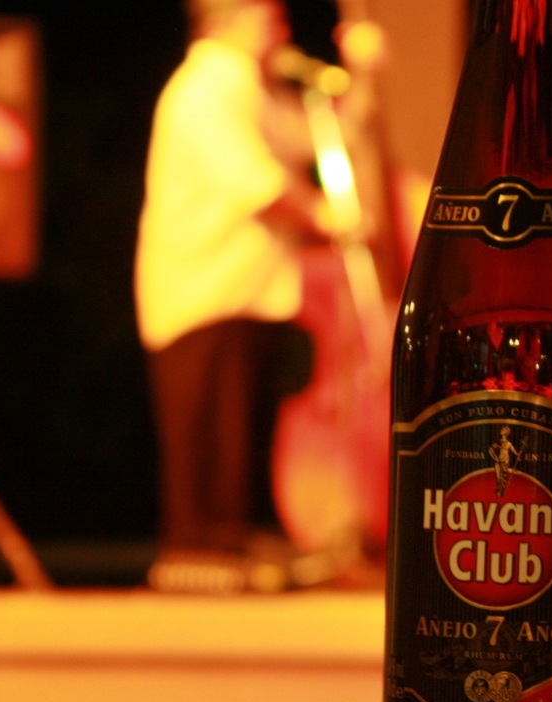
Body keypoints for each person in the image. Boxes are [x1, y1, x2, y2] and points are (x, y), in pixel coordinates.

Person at [134, 0, 339, 573]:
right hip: (208, 289)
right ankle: (198, 563)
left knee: (241, 442)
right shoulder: (207, 86)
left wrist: (362, 85)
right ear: (230, 19)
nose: (282, 31)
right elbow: (255, 182)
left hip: (248, 287)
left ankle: (236, 553)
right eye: (269, 19)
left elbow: (315, 142)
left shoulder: (254, 89)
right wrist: (325, 217)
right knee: (209, 447)